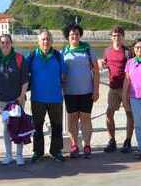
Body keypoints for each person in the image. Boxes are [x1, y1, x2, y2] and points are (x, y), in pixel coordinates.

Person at [61, 23, 100, 159]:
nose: (74, 36)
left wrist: (96, 90)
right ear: (68, 37)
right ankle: (74, 145)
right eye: (72, 34)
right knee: (71, 119)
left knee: (85, 118)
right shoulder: (64, 51)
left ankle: (87, 145)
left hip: (86, 91)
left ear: (80, 35)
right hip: (69, 92)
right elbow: (61, 73)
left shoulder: (87, 49)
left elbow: (96, 70)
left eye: (77, 34)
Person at [27, 29, 66, 163]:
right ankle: (38, 152)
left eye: (48, 39)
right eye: (43, 39)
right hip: (37, 98)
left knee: (57, 126)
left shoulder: (57, 55)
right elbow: (23, 75)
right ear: (38, 41)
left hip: (55, 98)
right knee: (37, 127)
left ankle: (56, 151)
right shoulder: (32, 56)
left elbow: (64, 75)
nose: (46, 41)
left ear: (52, 41)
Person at [0, 34, 28, 166]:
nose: (5, 45)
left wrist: (21, 96)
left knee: (18, 126)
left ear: (11, 43)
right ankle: (8, 155)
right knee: (7, 126)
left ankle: (19, 155)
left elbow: (25, 80)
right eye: (2, 43)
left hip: (16, 100)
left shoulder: (19, 58)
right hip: (2, 101)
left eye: (7, 42)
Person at [101, 26, 133, 153]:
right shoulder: (107, 50)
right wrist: (101, 64)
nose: (116, 37)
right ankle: (112, 141)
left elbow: (132, 68)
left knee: (129, 114)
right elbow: (105, 63)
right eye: (114, 35)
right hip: (113, 88)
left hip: (126, 88)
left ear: (123, 37)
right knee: (109, 114)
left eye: (119, 35)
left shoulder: (128, 51)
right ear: (111, 37)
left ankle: (128, 141)